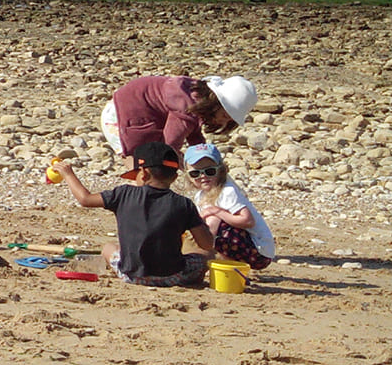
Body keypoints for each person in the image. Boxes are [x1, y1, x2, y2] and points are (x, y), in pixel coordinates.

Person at [54, 141, 214, 287]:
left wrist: (68, 174)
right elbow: (206, 244)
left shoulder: (124, 194)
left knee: (108, 248)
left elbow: (85, 199)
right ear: (174, 177)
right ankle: (195, 280)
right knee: (205, 255)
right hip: (172, 276)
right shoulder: (183, 204)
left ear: (143, 173)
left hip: (129, 275)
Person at [101, 75, 258, 157]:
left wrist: (206, 156)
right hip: (121, 118)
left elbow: (194, 136)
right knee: (144, 167)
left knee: (154, 168)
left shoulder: (195, 96)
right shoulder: (185, 109)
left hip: (130, 108)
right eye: (224, 115)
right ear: (215, 103)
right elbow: (169, 146)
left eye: (229, 120)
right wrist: (185, 165)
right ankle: (138, 207)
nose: (223, 121)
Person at [183, 142, 275, 271]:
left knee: (213, 219)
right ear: (188, 176)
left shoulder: (227, 191)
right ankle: (218, 263)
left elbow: (248, 220)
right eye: (195, 174)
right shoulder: (201, 195)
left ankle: (202, 257)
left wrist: (218, 212)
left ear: (221, 170)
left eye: (209, 171)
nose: (203, 176)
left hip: (259, 251)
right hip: (240, 245)